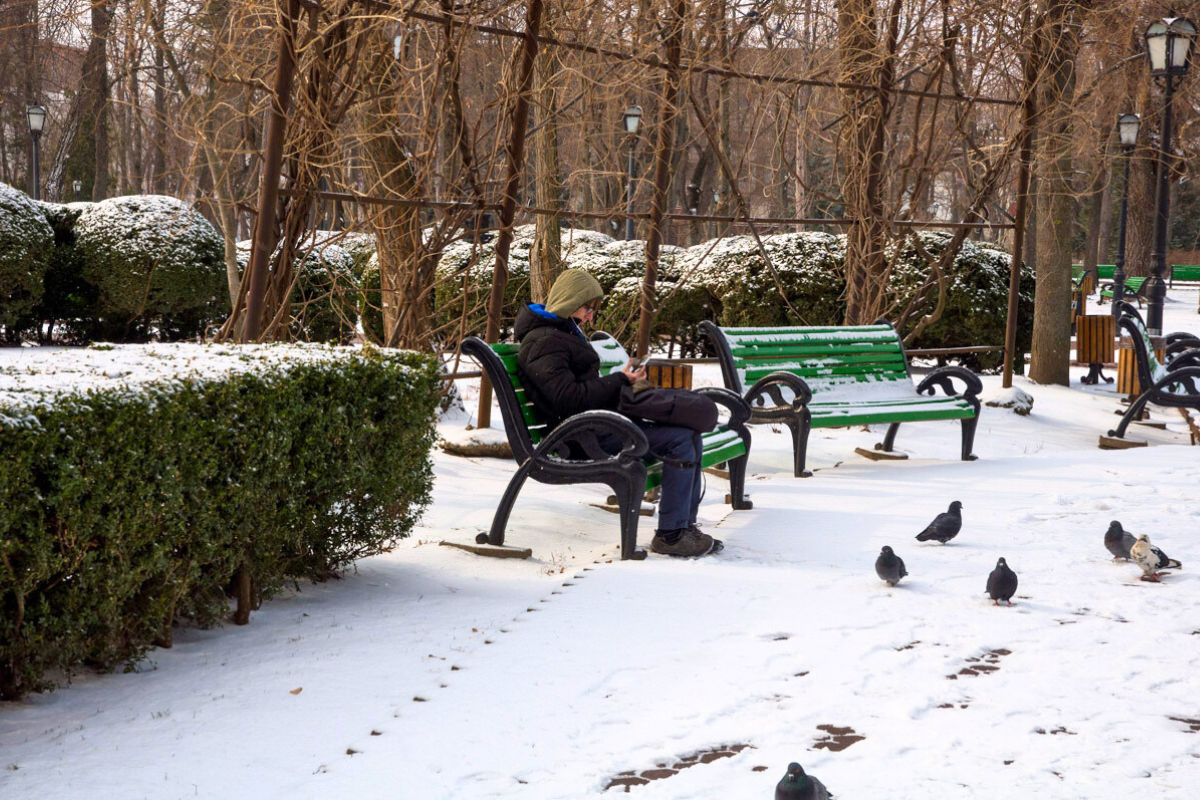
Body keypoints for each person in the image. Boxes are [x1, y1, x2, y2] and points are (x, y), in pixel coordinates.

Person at [515, 269, 719, 557]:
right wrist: (620, 380)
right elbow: (567, 399)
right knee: (680, 440)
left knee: (688, 433)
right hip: (578, 438)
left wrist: (625, 385)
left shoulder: (558, 333)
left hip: (592, 425)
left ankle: (682, 528)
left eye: (592, 310)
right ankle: (672, 535)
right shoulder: (544, 341)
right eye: (587, 308)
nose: (590, 317)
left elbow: (576, 393)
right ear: (570, 301)